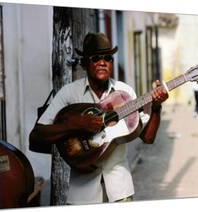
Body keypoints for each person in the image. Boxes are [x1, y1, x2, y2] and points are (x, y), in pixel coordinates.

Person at [29, 33, 168, 204]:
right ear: (85, 63)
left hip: (120, 190)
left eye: (108, 58)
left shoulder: (125, 93)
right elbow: (37, 134)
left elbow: (147, 138)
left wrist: (156, 107)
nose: (103, 62)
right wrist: (76, 124)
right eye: (96, 58)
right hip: (81, 193)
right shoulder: (69, 93)